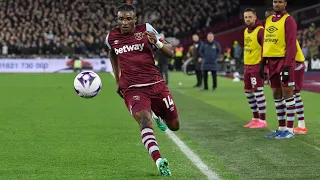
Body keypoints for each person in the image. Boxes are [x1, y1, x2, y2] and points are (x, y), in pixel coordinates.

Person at [105, 4, 179, 176]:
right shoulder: (111, 37)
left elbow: (170, 52)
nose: (124, 22)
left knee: (174, 126)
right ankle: (159, 160)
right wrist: (117, 80)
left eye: (128, 19)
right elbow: (112, 53)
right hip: (132, 88)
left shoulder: (146, 30)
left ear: (135, 19)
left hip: (156, 84)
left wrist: (158, 43)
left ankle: (157, 114)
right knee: (144, 121)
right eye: (121, 19)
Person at [265, 7, 307, 134]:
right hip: (289, 62)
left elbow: (290, 48)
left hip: (296, 62)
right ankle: (289, 126)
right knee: (284, 95)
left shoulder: (285, 26)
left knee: (293, 93)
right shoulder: (272, 31)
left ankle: (300, 124)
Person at [261, 0, 298, 139]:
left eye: (280, 2)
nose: (277, 4)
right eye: (275, 1)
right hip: (271, 62)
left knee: (288, 94)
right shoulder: (269, 19)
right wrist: (262, 62)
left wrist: (288, 66)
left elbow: (291, 44)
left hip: (283, 61)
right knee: (276, 94)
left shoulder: (289, 20)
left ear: (285, 4)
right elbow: (266, 42)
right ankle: (281, 128)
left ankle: (290, 129)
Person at [242, 8, 267, 129]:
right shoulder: (246, 31)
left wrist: (263, 65)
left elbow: (265, 49)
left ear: (255, 17)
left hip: (256, 66)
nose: (247, 19)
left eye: (250, 17)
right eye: (246, 17)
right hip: (247, 66)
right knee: (248, 92)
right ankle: (255, 118)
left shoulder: (260, 31)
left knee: (258, 92)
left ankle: (262, 120)